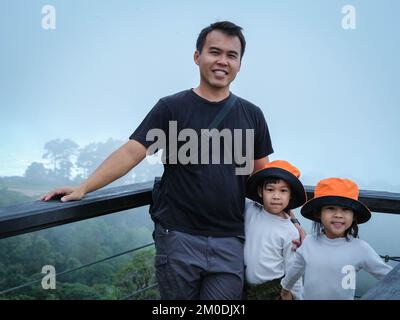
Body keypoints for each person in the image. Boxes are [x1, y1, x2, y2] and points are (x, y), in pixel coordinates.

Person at [41, 21, 303, 299]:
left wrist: (291, 220)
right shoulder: (172, 107)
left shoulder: (252, 114)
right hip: (178, 236)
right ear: (197, 56)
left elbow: (265, 176)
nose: (222, 61)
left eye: (231, 55)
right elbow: (133, 152)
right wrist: (84, 187)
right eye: (214, 52)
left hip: (230, 238)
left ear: (240, 64)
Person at [280, 178, 393, 300]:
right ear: (319, 213)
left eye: (345, 209)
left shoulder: (361, 249)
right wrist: (285, 290)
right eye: (330, 208)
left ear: (353, 215)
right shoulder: (308, 243)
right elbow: (295, 270)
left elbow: (389, 276)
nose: (338, 215)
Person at [243, 160, 306, 300]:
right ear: (260, 191)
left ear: (291, 195)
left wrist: (295, 296)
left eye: (283, 191)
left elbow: (294, 268)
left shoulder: (290, 231)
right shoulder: (250, 210)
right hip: (245, 288)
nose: (276, 196)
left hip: (273, 290)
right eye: (270, 189)